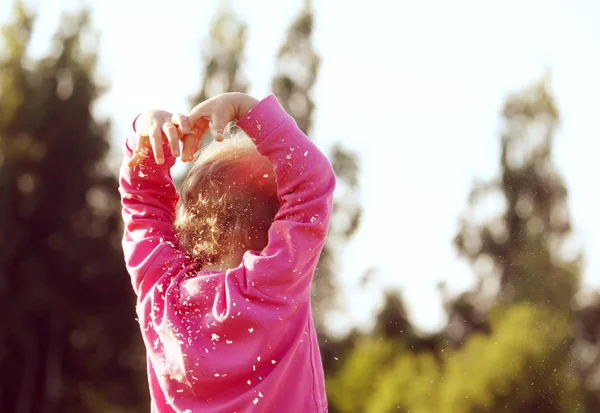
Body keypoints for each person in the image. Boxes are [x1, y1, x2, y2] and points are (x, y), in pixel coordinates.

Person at [119, 92, 335, 412]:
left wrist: (145, 140)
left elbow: (141, 207)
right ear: (279, 222)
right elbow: (312, 184)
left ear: (191, 214)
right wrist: (247, 109)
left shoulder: (160, 290)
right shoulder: (277, 285)